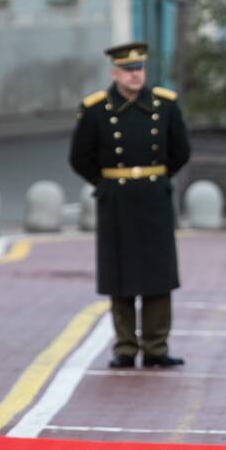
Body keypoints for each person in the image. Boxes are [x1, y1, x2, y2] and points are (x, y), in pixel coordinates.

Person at [69, 42, 190, 369]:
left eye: (139, 69)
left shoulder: (165, 106)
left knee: (158, 274)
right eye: (128, 70)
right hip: (117, 199)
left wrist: (160, 179)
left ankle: (155, 347)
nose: (136, 75)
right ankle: (124, 347)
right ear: (115, 73)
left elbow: (180, 151)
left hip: (154, 198)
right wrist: (105, 184)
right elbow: (80, 157)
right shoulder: (96, 109)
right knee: (119, 274)